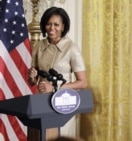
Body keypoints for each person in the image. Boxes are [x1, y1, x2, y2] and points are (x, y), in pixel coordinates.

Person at [27, 7, 87, 138]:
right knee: (38, 136)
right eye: (48, 24)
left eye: (56, 24)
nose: (51, 28)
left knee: (58, 138)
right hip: (40, 102)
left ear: (63, 26)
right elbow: (33, 81)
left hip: (62, 103)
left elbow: (83, 83)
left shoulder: (72, 48)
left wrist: (56, 87)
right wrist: (32, 77)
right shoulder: (39, 45)